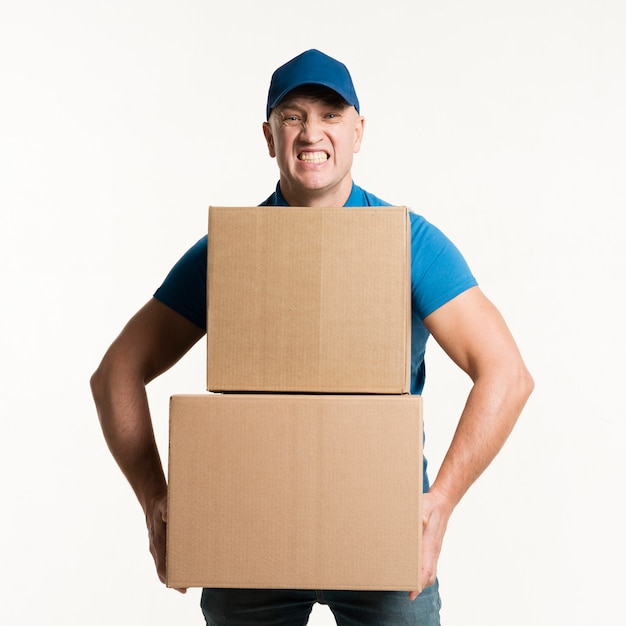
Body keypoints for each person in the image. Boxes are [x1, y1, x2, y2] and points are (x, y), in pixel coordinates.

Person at [91, 49, 534, 625]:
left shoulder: (409, 243)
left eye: (330, 114)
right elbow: (115, 374)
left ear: (358, 130)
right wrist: (156, 498)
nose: (312, 132)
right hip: (251, 534)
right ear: (269, 136)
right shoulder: (230, 254)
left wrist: (439, 503)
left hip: (380, 530)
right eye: (293, 116)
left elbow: (507, 373)